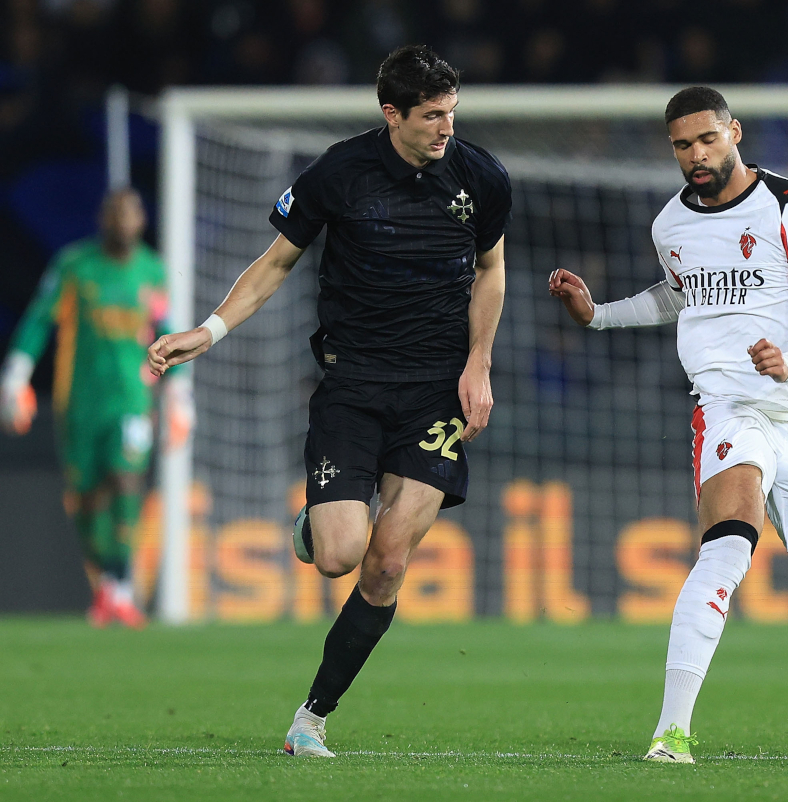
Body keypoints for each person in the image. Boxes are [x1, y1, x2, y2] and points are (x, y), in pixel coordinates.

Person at [147, 45, 510, 758]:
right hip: (352, 386)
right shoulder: (340, 172)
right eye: (432, 116)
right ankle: (317, 526)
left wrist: (479, 362)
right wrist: (209, 330)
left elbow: (493, 270)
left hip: (436, 391)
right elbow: (276, 261)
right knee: (342, 554)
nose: (446, 128)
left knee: (387, 561)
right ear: (391, 114)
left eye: (452, 113)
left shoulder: (480, 176)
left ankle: (311, 716)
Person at [549, 86, 788, 764]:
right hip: (730, 409)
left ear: (734, 132)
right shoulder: (669, 225)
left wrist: (786, 362)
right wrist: (600, 315)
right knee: (728, 547)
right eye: (682, 145)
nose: (697, 154)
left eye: (708, 139)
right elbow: (680, 294)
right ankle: (671, 733)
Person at [1, 188, 172, 628]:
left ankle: (120, 584)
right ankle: (108, 589)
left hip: (133, 400)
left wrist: (181, 397)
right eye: (115, 212)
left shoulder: (152, 270)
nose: (123, 220)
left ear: (141, 219)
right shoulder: (74, 267)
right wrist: (16, 372)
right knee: (86, 498)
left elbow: (168, 332)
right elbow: (40, 318)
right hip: (77, 404)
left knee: (126, 478)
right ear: (102, 219)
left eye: (131, 211)